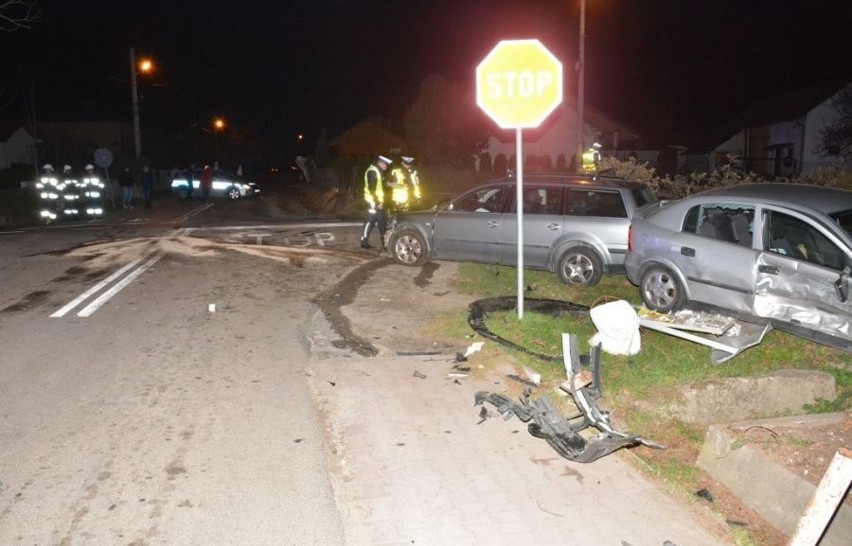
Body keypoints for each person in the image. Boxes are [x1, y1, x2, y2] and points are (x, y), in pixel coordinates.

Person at [359, 155, 391, 249]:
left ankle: (366, 242)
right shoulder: (373, 171)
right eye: (385, 164)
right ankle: (384, 243)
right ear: (380, 163)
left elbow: (378, 187)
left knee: (376, 222)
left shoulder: (376, 171)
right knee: (374, 222)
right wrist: (378, 203)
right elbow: (372, 189)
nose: (386, 167)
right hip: (373, 202)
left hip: (376, 202)